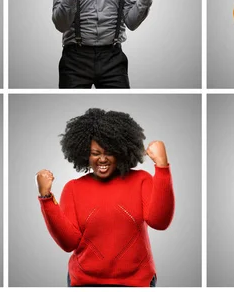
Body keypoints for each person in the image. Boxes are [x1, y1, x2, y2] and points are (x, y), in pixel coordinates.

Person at [36, 108, 174, 287]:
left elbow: (160, 222)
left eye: (109, 152)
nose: (102, 159)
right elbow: (68, 243)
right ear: (85, 154)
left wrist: (162, 167)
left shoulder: (141, 180)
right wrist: (46, 197)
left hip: (136, 282)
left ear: (121, 151)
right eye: (95, 153)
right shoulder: (73, 188)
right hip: (85, 283)